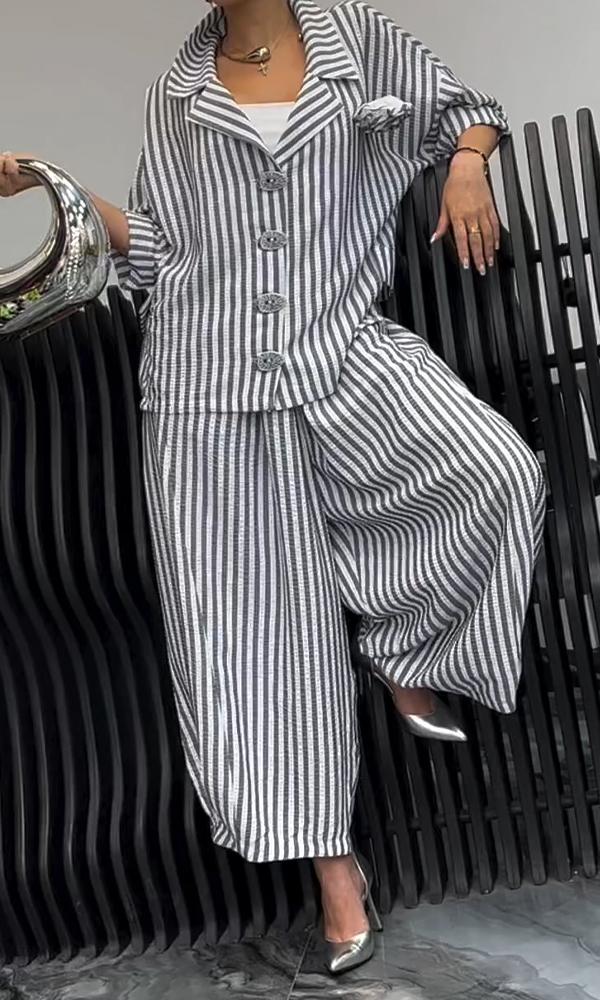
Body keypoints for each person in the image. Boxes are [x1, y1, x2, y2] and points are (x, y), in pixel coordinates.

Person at [1, 0, 547, 975]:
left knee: (493, 471)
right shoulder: (176, 94)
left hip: (338, 349)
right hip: (205, 386)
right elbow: (160, 251)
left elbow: (464, 107)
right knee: (253, 646)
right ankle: (338, 880)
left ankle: (403, 649)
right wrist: (61, 185)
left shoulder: (355, 36)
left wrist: (468, 163)